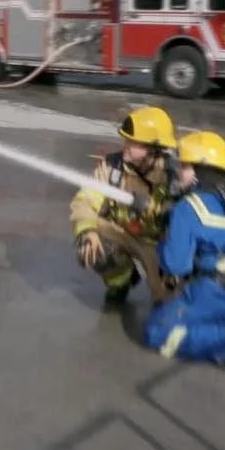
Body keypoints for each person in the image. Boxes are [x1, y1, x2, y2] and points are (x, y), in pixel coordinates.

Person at [142, 131, 225, 372]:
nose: (178, 171)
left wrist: (162, 240)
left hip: (215, 291)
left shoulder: (187, 207)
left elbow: (176, 265)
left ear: (200, 171)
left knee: (157, 331)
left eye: (184, 166)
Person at [71, 106, 177, 306]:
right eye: (126, 140)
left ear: (153, 150)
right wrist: (88, 232)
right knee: (95, 244)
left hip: (156, 245)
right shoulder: (112, 167)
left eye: (133, 143)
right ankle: (121, 282)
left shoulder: (172, 178)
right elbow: (85, 200)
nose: (125, 146)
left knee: (166, 303)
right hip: (121, 234)